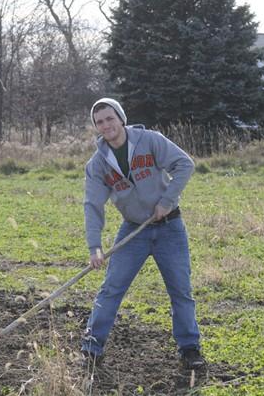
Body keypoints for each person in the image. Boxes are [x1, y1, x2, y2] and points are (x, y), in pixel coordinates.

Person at [81, 97, 205, 369]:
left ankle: (190, 349)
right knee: (111, 289)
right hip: (133, 231)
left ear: (121, 118)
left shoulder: (150, 141)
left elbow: (185, 164)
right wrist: (95, 247)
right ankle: (92, 348)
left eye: (110, 118)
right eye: (99, 122)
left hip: (169, 228)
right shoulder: (98, 164)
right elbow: (92, 204)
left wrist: (166, 201)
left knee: (180, 291)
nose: (106, 125)